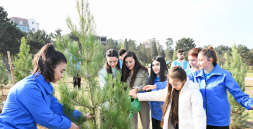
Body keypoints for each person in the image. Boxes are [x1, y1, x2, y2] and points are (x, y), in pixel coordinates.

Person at [0, 43, 94, 129]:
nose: (62, 76)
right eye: (61, 71)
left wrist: (81, 117)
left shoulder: (44, 87)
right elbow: (44, 117)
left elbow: (58, 109)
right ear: (51, 66)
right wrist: (69, 125)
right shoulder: (29, 88)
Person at [188, 47, 253, 129]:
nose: (198, 63)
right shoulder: (194, 76)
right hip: (201, 121)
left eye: (201, 60)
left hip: (219, 122)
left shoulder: (224, 75)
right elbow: (179, 83)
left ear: (210, 60)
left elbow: (238, 94)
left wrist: (250, 104)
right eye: (198, 60)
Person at [129, 66, 206, 129]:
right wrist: (137, 96)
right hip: (173, 125)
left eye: (175, 84)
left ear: (184, 80)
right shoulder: (171, 90)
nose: (173, 86)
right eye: (171, 84)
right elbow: (155, 95)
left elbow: (198, 115)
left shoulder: (193, 92)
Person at [121, 51, 150, 129]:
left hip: (142, 100)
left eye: (130, 61)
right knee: (132, 126)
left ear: (135, 60)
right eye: (126, 62)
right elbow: (122, 87)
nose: (128, 64)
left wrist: (136, 89)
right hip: (130, 101)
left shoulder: (144, 71)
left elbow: (145, 85)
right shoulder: (124, 72)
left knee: (146, 125)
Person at [141, 56, 168, 129]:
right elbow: (145, 91)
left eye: (157, 64)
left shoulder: (168, 78)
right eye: (153, 65)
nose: (155, 67)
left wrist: (155, 86)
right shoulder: (151, 79)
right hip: (154, 116)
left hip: (165, 116)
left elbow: (167, 85)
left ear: (162, 65)